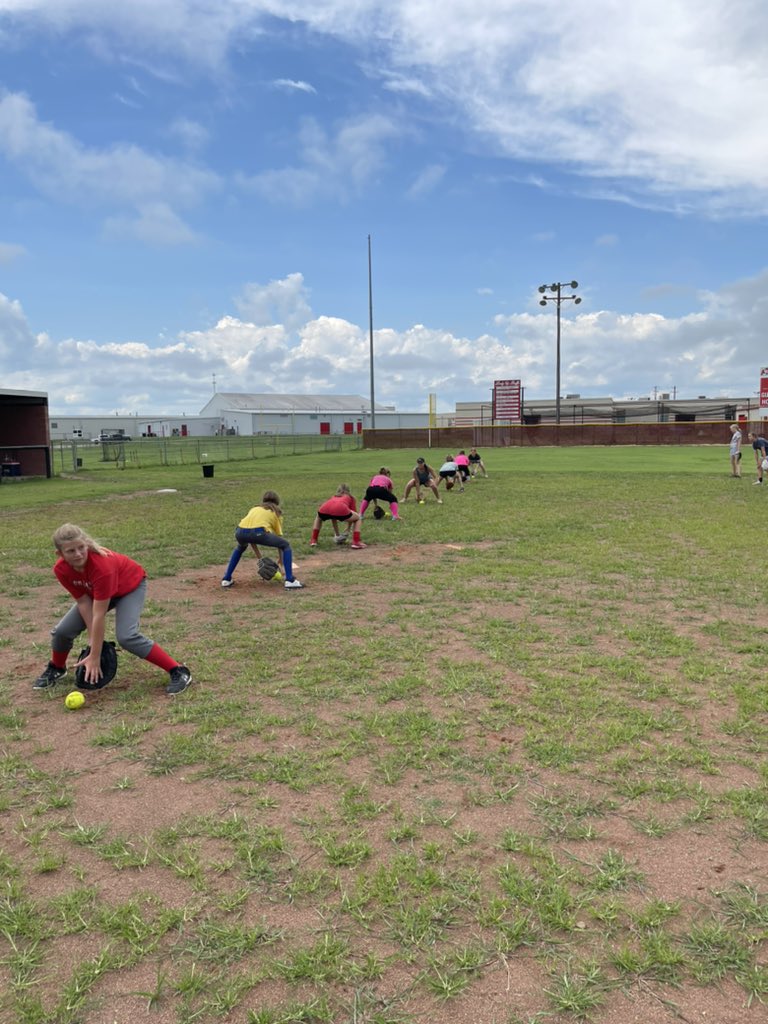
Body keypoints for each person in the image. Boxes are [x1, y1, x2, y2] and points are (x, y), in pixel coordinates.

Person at [33, 523, 192, 695]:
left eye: (81, 548)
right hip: (96, 593)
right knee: (62, 631)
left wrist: (95, 655)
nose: (78, 554)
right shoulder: (61, 569)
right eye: (71, 551)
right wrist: (94, 643)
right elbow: (84, 603)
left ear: (86, 543)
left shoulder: (102, 566)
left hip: (129, 587)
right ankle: (57, 667)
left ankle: (178, 670)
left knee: (127, 636)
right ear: (60, 554)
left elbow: (99, 614)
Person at [221, 490, 304, 589]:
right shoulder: (275, 512)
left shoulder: (255, 508)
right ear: (277, 502)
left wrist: (260, 558)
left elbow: (250, 536)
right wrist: (280, 560)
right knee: (286, 545)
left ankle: (226, 579)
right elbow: (279, 538)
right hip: (258, 532)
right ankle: (290, 580)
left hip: (239, 531)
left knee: (240, 547)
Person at [310, 484, 366, 548]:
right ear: (349, 491)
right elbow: (354, 517)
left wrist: (337, 534)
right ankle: (356, 542)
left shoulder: (334, 496)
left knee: (318, 517)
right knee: (358, 518)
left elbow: (333, 517)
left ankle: (313, 540)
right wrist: (347, 530)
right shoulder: (351, 497)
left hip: (324, 508)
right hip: (340, 508)